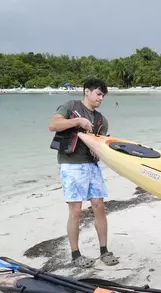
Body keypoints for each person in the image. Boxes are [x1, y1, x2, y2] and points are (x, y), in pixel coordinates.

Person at [47, 78, 119, 268]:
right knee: (76, 210)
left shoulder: (102, 120)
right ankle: (75, 254)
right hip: (71, 164)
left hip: (91, 165)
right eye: (98, 93)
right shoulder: (71, 106)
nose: (101, 98)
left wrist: (100, 152)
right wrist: (78, 121)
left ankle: (104, 250)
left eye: (103, 95)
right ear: (87, 91)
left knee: (99, 205)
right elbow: (53, 125)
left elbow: (100, 143)